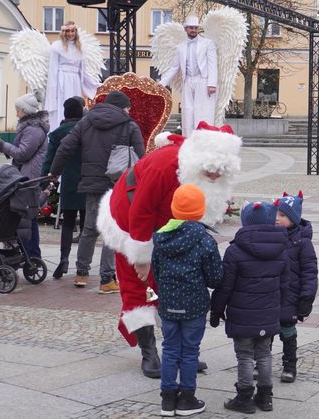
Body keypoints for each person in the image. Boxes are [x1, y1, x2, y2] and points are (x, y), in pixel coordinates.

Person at [96, 122, 242, 378]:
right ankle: (149, 353)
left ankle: (181, 352)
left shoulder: (208, 174)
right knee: (137, 289)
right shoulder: (164, 164)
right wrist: (141, 257)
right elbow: (141, 209)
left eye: (219, 173)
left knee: (173, 287)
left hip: (168, 225)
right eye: (209, 171)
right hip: (129, 222)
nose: (213, 177)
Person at [50, 91, 145, 290]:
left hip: (92, 182)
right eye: (128, 107)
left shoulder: (86, 122)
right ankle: (107, 278)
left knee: (90, 229)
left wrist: (54, 172)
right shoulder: (129, 126)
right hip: (118, 184)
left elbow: (65, 147)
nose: (129, 110)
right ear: (122, 107)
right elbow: (141, 157)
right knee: (111, 229)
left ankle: (81, 274)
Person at [210, 201, 289, 414]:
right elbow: (285, 285)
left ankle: (244, 397)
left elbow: (225, 286)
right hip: (269, 312)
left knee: (244, 355)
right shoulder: (281, 249)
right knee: (264, 354)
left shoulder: (235, 250)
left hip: (242, 315)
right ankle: (265, 397)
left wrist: (216, 310)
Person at [152, 184, 224, 417]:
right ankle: (187, 399)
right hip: (194, 305)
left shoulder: (161, 238)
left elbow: (156, 271)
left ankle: (167, 399)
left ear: (174, 209)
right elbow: (215, 278)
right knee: (190, 351)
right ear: (200, 211)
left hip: (168, 304)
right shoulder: (204, 240)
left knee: (170, 349)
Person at [0, 92, 49, 260]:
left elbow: (23, 153)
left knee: (27, 217)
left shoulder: (33, 130)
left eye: (18, 110)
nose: (16, 113)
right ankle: (27, 254)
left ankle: (31, 255)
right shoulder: (31, 128)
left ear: (24, 110)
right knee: (25, 216)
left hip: (28, 178)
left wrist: (3, 146)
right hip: (27, 175)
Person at [41, 96, 87, 279]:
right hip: (87, 180)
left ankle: (64, 259)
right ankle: (82, 264)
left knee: (67, 223)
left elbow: (49, 159)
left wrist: (46, 179)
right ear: (81, 111)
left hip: (68, 182)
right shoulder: (87, 130)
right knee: (86, 224)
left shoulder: (58, 133)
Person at [274, 191, 318, 383]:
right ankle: (261, 363)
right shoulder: (270, 237)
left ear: (293, 218)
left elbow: (310, 272)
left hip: (291, 297)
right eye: (276, 214)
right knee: (265, 333)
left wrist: (306, 297)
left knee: (288, 332)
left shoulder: (303, 243)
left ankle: (289, 365)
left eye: (282, 215)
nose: (277, 218)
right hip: (270, 295)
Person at [160, 16, 218, 137]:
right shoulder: (180, 47)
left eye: (195, 28)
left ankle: (203, 140)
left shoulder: (208, 43)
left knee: (202, 112)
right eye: (191, 28)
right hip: (187, 81)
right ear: (186, 29)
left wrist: (211, 84)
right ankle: (187, 140)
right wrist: (161, 84)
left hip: (203, 80)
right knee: (187, 112)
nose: (193, 30)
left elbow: (213, 64)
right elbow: (174, 67)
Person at [45, 21, 99, 132]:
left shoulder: (80, 48)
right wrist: (52, 92)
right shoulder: (56, 47)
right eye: (68, 31)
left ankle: (74, 131)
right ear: (63, 32)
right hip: (62, 81)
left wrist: (94, 84)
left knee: (75, 104)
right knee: (63, 105)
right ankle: (60, 130)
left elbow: (83, 71)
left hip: (75, 81)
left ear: (76, 32)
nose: (70, 34)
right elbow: (53, 70)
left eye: (73, 31)